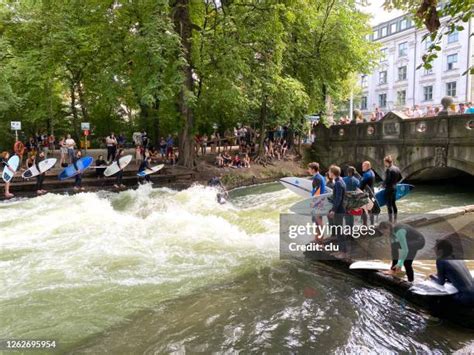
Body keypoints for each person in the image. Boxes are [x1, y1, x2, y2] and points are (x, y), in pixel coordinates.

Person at [430, 240, 474, 306]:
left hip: (466, 298)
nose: (433, 250)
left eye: (435, 248)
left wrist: (432, 277)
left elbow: (441, 282)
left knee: (438, 299)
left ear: (440, 251)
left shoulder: (440, 260)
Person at [328, 165, 346, 255]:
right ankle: (342, 249)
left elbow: (338, 198)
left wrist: (333, 210)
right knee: (339, 229)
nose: (328, 173)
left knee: (339, 230)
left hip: (339, 210)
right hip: (341, 208)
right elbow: (339, 197)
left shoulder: (338, 183)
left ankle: (342, 250)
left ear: (333, 173)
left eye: (330, 172)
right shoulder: (341, 181)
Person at [308, 162, 326, 240]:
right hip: (320, 202)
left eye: (309, 169)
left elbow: (317, 192)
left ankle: (319, 240)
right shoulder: (321, 177)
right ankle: (318, 239)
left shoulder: (317, 178)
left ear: (313, 169)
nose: (308, 170)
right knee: (318, 221)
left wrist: (314, 203)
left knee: (318, 222)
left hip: (318, 203)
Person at [382, 155, 402, 223]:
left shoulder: (389, 169)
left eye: (384, 162)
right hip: (394, 188)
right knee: (393, 204)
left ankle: (390, 220)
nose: (384, 164)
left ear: (387, 162)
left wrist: (383, 185)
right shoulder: (397, 168)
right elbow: (400, 177)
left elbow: (387, 180)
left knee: (389, 205)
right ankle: (395, 219)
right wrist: (395, 182)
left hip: (389, 189)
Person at [360, 161, 377, 226]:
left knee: (364, 209)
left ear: (368, 166)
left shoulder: (366, 174)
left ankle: (365, 225)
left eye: (363, 166)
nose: (362, 167)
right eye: (362, 166)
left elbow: (361, 186)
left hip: (367, 193)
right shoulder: (372, 172)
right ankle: (372, 224)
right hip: (372, 192)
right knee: (371, 208)